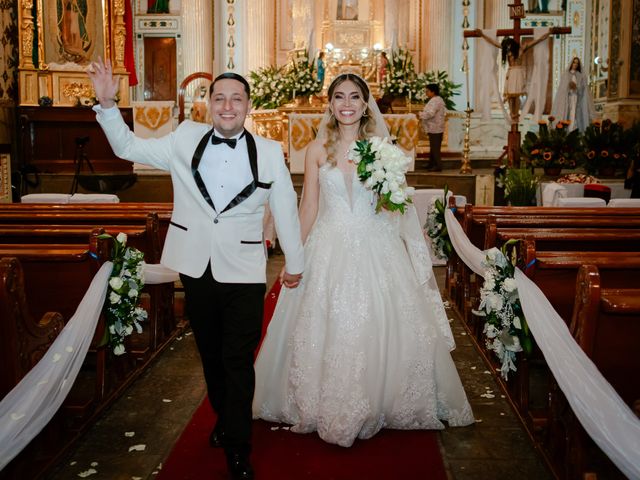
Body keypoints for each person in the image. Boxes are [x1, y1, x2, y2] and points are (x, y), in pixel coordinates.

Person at [87, 59, 304, 480]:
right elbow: (128, 148)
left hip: (243, 268)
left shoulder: (270, 152)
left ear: (248, 106)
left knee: (238, 357)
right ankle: (225, 418)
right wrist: (108, 103)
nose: (227, 106)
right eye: (219, 98)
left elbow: (285, 209)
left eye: (236, 99)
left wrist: (295, 262)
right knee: (210, 353)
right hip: (195, 266)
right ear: (208, 103)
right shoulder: (184, 139)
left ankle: (238, 447)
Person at [253, 73, 474, 448]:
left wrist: (397, 216)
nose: (347, 104)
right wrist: (295, 255)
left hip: (375, 245)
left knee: (378, 319)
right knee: (329, 317)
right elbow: (309, 206)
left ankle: (383, 396)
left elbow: (394, 203)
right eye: (339, 97)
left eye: (355, 96)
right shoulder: (316, 150)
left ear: (365, 102)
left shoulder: (382, 146)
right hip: (329, 244)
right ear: (331, 103)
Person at [477, 31, 551, 123]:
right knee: (510, 95)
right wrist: (483, 35)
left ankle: (515, 114)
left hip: (518, 73)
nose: (507, 48)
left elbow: (538, 40)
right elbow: (494, 43)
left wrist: (548, 33)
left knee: (516, 96)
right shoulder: (507, 50)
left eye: (508, 45)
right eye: (506, 46)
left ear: (512, 44)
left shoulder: (522, 48)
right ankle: (512, 113)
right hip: (511, 73)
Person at [550, 57, 596, 132]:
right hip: (567, 98)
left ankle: (573, 129)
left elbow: (583, 89)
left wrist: (576, 87)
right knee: (568, 112)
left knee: (574, 114)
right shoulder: (566, 75)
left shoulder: (580, 76)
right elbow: (562, 89)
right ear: (571, 63)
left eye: (577, 63)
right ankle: (566, 130)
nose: (575, 64)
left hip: (576, 98)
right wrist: (568, 87)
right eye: (574, 62)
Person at [419, 83, 446, 172]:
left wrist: (420, 114)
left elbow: (430, 113)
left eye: (427, 91)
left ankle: (438, 165)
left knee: (435, 148)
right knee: (433, 147)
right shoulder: (436, 100)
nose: (426, 93)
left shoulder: (436, 101)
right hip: (434, 127)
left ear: (433, 92)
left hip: (435, 128)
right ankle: (431, 164)